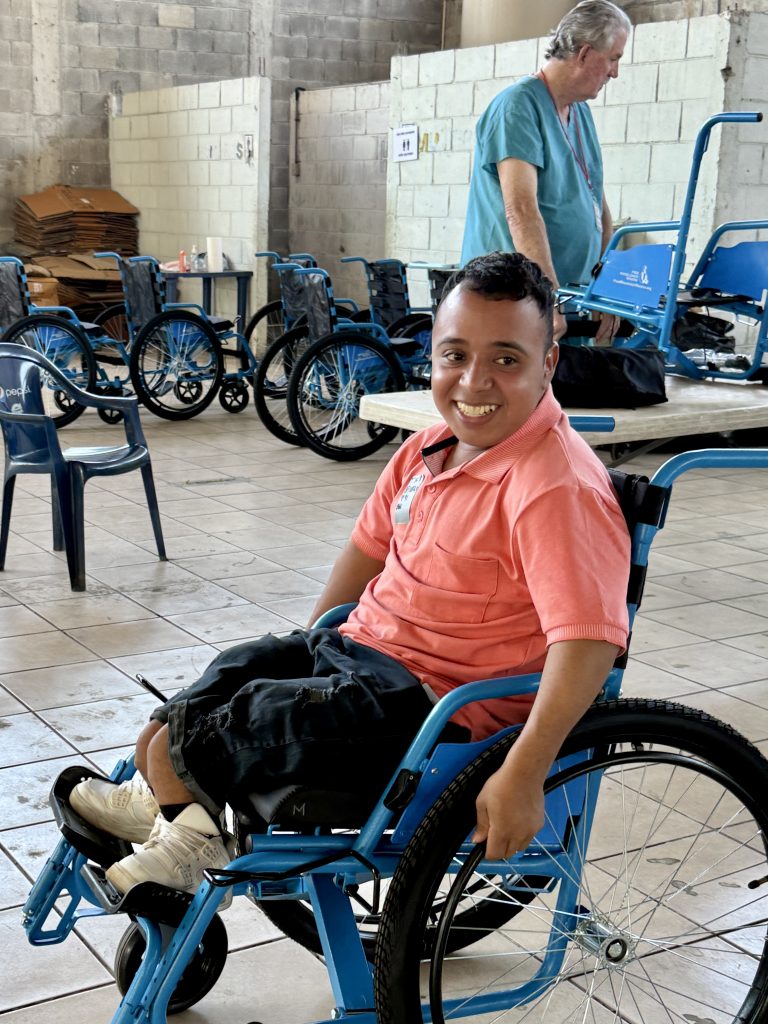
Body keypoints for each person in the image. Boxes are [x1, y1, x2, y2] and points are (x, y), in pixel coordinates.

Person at [68, 251, 631, 888]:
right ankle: (168, 809)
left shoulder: (554, 487)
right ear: (432, 355)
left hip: (431, 707)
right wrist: (308, 651)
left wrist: (526, 770)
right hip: (360, 654)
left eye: (506, 360)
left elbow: (589, 641)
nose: (474, 382)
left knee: (206, 738)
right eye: (455, 355)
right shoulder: (427, 449)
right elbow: (366, 551)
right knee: (196, 702)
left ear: (548, 363)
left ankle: (188, 848)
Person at [460, 0, 631, 342]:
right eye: (613, 59)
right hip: (514, 297)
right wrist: (546, 296)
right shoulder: (517, 107)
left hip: (568, 298)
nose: (615, 72)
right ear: (584, 53)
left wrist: (606, 287)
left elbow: (598, 205)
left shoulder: (580, 112)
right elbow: (521, 209)